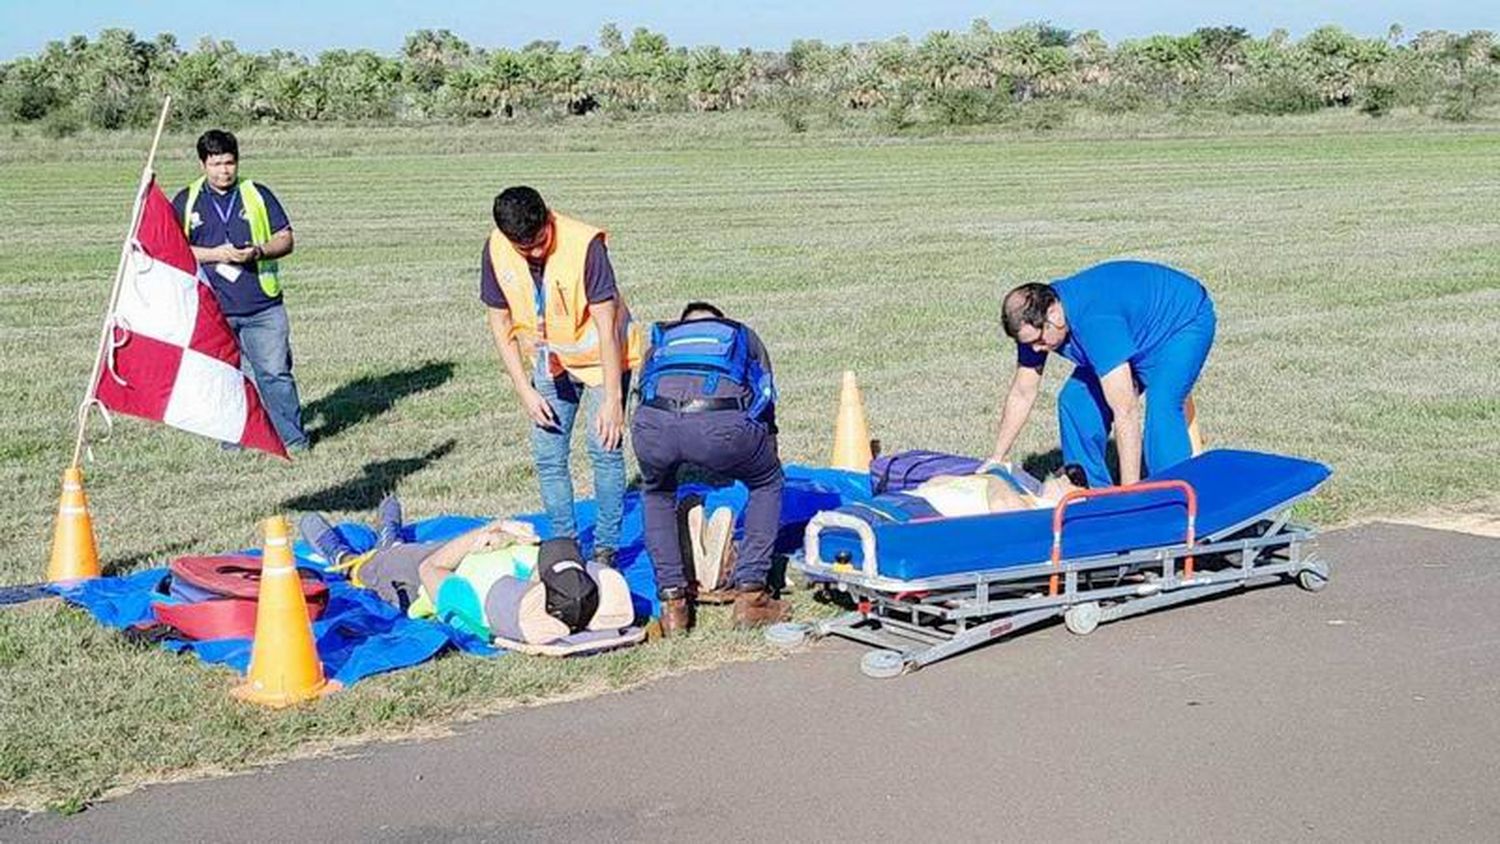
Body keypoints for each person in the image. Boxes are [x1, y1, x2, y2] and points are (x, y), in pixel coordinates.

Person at [479, 187, 643, 568]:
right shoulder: (497, 248)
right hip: (550, 361)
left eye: (540, 242)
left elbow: (606, 325)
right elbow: (499, 320)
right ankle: (566, 547)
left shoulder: (585, 246)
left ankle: (605, 549)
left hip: (604, 362)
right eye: (525, 248)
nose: (535, 253)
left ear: (548, 218)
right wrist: (524, 389)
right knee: (548, 457)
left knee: (604, 449)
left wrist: (613, 400)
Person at [630, 301, 787, 635]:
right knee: (767, 482)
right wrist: (766, 445)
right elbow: (766, 396)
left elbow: (642, 392)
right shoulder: (742, 335)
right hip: (721, 425)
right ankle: (752, 594)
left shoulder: (660, 342)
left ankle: (673, 604)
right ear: (721, 322)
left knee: (656, 493)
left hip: (653, 426)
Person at [989, 259, 1217, 488]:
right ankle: (1091, 492)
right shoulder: (1033, 326)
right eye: (1028, 344)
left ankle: (1174, 496)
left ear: (1054, 315)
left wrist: (1129, 492)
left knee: (1162, 406)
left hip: (1181, 324)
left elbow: (1125, 410)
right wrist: (997, 458)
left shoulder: (1095, 322)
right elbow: (1022, 393)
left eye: (1038, 341)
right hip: (1129, 334)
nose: (1035, 350)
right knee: (1075, 403)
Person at [172, 129, 308, 451]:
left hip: (263, 307)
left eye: (229, 163)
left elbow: (285, 239)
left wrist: (257, 252)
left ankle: (294, 440)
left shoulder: (257, 194)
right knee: (226, 379)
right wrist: (217, 254)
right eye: (216, 163)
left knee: (275, 374)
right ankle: (235, 442)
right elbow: (174, 250)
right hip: (213, 309)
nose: (224, 171)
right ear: (202, 163)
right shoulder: (187, 200)